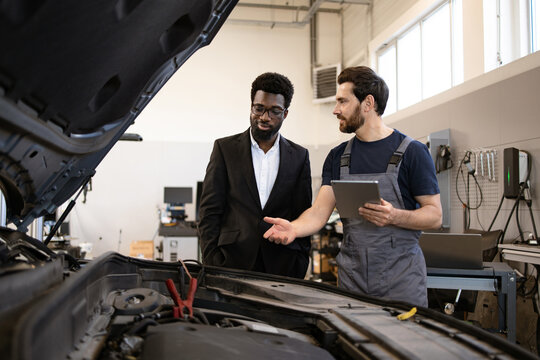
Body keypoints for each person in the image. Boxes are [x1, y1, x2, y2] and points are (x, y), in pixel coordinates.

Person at [263, 66, 442, 306]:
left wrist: (394, 216)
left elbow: (434, 216)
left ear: (367, 103)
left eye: (343, 102)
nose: (336, 110)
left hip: (401, 282)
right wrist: (293, 229)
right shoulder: (338, 157)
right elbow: (319, 213)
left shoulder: (413, 152)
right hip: (352, 281)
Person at [198, 72, 312, 279]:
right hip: (231, 262)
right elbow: (209, 211)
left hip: (282, 265)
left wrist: (300, 262)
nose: (264, 117)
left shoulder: (299, 156)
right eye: (259, 108)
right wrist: (212, 261)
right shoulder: (225, 149)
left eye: (274, 111)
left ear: (285, 114)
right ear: (251, 106)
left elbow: (302, 213)